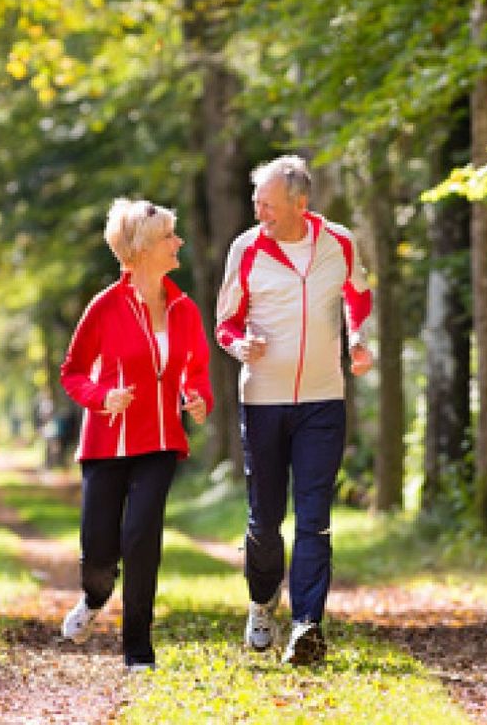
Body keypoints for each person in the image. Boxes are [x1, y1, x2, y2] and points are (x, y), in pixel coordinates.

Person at [216, 155, 374, 666]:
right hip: (263, 400)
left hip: (323, 400)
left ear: (299, 204)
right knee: (265, 521)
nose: (259, 211)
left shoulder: (339, 242)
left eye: (268, 204)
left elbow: (359, 295)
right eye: (256, 202)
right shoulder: (246, 248)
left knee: (315, 517)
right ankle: (263, 603)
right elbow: (225, 324)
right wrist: (241, 346)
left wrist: (360, 339)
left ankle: (307, 624)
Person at [59, 198, 213, 671]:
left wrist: (197, 397)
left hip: (161, 440)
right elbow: (73, 371)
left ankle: (138, 652)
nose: (178, 242)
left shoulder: (183, 309)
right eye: (170, 236)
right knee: (99, 553)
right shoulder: (105, 307)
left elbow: (196, 369)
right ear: (144, 248)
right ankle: (93, 597)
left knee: (142, 538)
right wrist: (102, 397)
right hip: (106, 444)